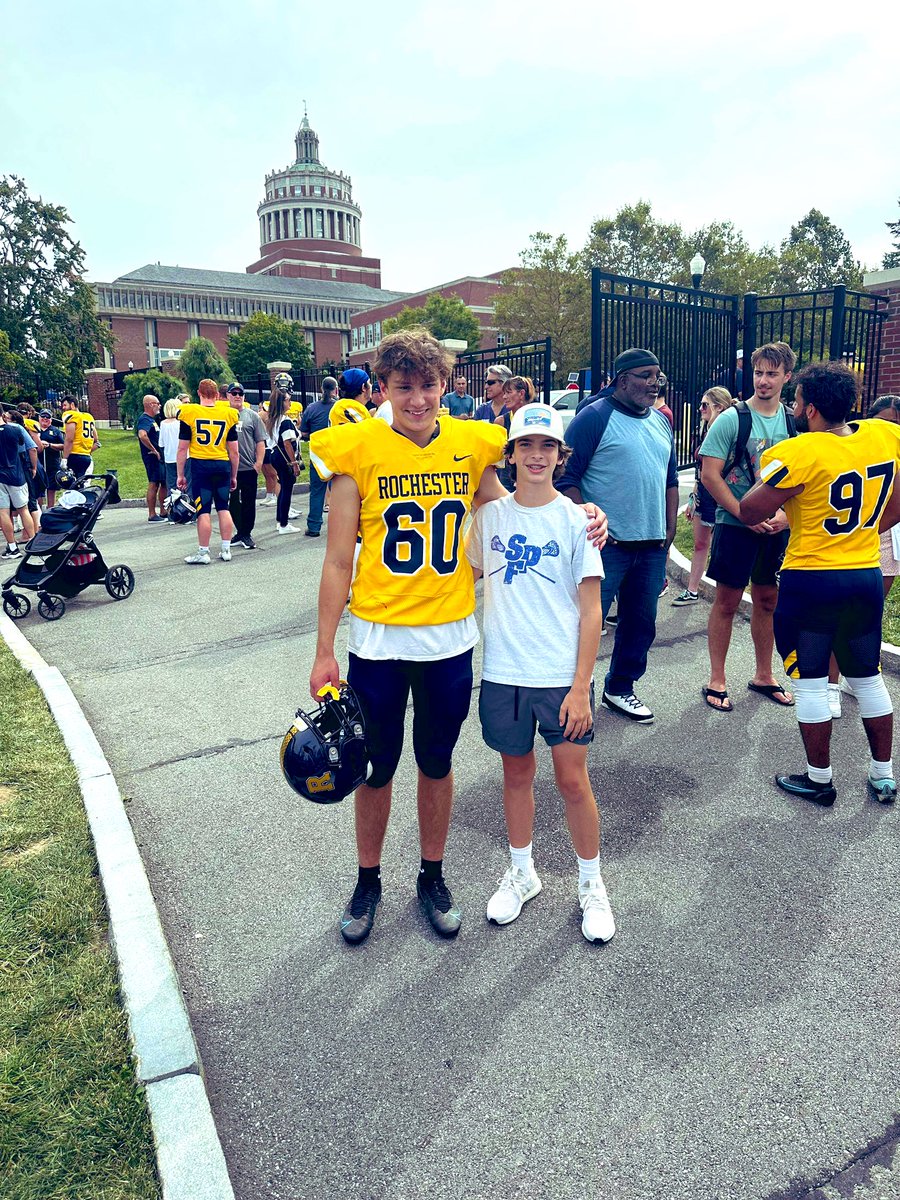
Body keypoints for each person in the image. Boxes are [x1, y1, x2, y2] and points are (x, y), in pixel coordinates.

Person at [308, 330, 539, 944]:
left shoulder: (470, 445)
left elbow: (512, 511)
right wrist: (325, 648)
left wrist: (578, 515)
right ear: (382, 388)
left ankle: (431, 874)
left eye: (428, 385)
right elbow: (337, 561)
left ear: (446, 386)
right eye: (404, 386)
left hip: (448, 638)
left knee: (436, 763)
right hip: (379, 642)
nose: (417, 399)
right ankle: (368, 879)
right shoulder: (357, 449)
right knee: (376, 768)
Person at [465, 403, 614, 943]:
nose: (535, 455)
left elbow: (591, 609)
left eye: (546, 446)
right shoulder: (490, 518)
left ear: (560, 455)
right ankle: (523, 873)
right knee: (516, 775)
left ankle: (592, 884)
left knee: (574, 780)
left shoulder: (578, 521)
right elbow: (462, 581)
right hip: (504, 671)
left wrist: (581, 686)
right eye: (525, 445)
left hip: (559, 675)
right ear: (510, 454)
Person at [740, 361, 900, 807]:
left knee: (812, 683)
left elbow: (751, 509)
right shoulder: (884, 434)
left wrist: (781, 496)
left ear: (809, 408)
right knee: (867, 679)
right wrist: (865, 530)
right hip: (864, 573)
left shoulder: (802, 450)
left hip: (812, 578)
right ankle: (883, 776)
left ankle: (819, 779)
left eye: (796, 400)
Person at [559, 347, 678, 724]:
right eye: (646, 375)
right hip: (605, 547)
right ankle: (571, 693)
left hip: (652, 544)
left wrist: (669, 528)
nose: (654, 383)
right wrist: (589, 523)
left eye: (657, 376)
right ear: (622, 379)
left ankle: (620, 687)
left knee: (641, 623)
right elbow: (565, 478)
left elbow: (670, 480)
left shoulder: (660, 421)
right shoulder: (593, 417)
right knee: (584, 622)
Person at [698, 342, 797, 713]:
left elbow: (804, 479)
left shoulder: (792, 422)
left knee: (768, 599)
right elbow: (710, 475)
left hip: (777, 527)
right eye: (759, 373)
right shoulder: (732, 419)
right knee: (726, 600)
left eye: (772, 374)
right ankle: (717, 678)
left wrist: (786, 516)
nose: (764, 381)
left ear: (787, 377)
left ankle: (763, 675)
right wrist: (744, 513)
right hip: (736, 524)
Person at [827, 393, 900, 718]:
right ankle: (829, 684)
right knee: (840, 613)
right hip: (854, 534)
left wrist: (875, 528)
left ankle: (853, 676)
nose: (890, 430)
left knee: (869, 614)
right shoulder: (851, 446)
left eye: (896, 425)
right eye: (885, 423)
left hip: (888, 538)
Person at [672, 387, 735, 605]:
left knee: (723, 546)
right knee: (701, 543)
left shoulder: (728, 430)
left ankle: (724, 594)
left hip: (723, 493)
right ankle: (692, 589)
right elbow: (700, 468)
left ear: (720, 407)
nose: (700, 409)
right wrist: (693, 496)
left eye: (705, 405)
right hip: (703, 493)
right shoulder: (703, 429)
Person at [176, 377, 239, 565]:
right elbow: (234, 451)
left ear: (198, 393)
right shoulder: (228, 414)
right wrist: (233, 475)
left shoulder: (190, 412)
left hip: (201, 466)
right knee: (223, 507)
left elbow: (182, 448)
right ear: (218, 395)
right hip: (222, 465)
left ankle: (203, 553)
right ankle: (226, 549)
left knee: (203, 510)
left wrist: (180, 474)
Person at [262, 375, 304, 535]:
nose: (290, 403)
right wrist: (293, 463)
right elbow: (287, 443)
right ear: (281, 403)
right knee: (286, 489)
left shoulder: (273, 419)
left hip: (275, 455)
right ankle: (284, 524)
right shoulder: (285, 421)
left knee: (283, 488)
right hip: (284, 457)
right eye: (287, 400)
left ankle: (281, 521)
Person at [227, 383, 266, 550]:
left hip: (248, 468)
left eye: (240, 393)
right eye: (234, 393)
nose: (237, 396)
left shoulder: (252, 416)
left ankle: (247, 533)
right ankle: (240, 531)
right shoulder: (224, 415)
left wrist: (258, 463)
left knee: (249, 502)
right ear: (227, 395)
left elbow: (260, 441)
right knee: (232, 503)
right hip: (229, 469)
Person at [300, 377, 338, 538]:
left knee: (317, 491)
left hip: (318, 456)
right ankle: (343, 527)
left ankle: (314, 526)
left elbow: (304, 433)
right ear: (335, 389)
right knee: (341, 490)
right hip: (337, 454)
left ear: (322, 389)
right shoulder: (339, 407)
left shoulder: (311, 408)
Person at [0, 414, 37, 557]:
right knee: (24, 509)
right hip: (16, 473)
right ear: (3, 414)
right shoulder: (16, 429)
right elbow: (27, 448)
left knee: (3, 512)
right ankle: (33, 543)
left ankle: (12, 547)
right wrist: (33, 467)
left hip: (0, 476)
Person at [494, 376, 535, 491]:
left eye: (508, 392)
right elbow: (494, 456)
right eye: (504, 393)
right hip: (507, 479)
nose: (504, 397)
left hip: (533, 476)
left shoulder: (536, 419)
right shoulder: (500, 421)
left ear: (521, 393)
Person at [136, 395, 167, 523]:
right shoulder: (144, 419)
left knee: (163, 482)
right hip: (151, 456)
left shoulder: (151, 420)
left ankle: (164, 511)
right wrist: (153, 450)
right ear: (150, 404)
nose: (159, 406)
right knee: (154, 483)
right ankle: (152, 514)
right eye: (157, 403)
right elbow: (142, 435)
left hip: (159, 456)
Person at [61, 400, 99, 482]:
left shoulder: (72, 415)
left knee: (71, 484)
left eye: (65, 405)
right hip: (86, 457)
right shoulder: (88, 417)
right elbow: (96, 440)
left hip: (75, 455)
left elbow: (69, 439)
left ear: (72, 405)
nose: (63, 408)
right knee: (81, 484)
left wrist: (64, 458)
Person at [35, 408, 64, 510]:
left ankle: (50, 508)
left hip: (52, 463)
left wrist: (50, 445)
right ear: (39, 417)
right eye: (43, 416)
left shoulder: (55, 431)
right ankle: (39, 509)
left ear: (51, 419)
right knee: (39, 487)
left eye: (48, 417)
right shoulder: (35, 429)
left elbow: (63, 445)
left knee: (51, 488)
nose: (45, 419)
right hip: (38, 463)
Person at [159, 397, 186, 503]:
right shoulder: (181, 423)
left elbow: (161, 443)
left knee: (171, 486)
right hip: (183, 457)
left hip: (169, 458)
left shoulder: (163, 424)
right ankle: (187, 512)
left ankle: (172, 513)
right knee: (185, 484)